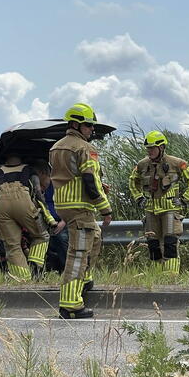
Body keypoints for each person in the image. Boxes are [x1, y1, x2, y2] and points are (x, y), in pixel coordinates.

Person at [49, 103, 112, 319]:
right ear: (76, 124)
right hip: (80, 206)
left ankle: (84, 281)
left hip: (63, 205)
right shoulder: (85, 148)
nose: (91, 130)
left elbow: (70, 176)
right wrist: (105, 208)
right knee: (77, 254)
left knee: (94, 237)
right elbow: (89, 179)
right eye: (88, 126)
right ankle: (70, 304)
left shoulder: (56, 147)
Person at [128, 130, 189, 274]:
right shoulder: (142, 164)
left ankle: (171, 279)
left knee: (170, 244)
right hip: (151, 211)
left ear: (161, 147)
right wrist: (139, 197)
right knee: (153, 245)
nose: (149, 151)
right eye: (148, 148)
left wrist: (185, 199)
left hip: (171, 211)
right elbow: (132, 182)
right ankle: (156, 277)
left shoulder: (176, 162)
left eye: (152, 148)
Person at [0, 155, 55, 281]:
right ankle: (35, 269)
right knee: (41, 236)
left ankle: (23, 278)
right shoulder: (28, 170)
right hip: (22, 201)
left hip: (1, 205)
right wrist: (48, 217)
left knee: (12, 245)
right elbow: (38, 193)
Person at [31, 160, 69, 273]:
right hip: (42, 223)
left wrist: (63, 222)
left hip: (59, 223)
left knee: (62, 240)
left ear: (44, 174)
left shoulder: (58, 185)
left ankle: (67, 271)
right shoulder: (34, 188)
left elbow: (68, 204)